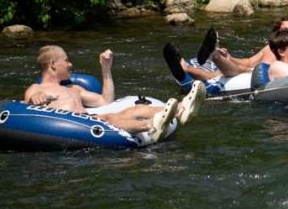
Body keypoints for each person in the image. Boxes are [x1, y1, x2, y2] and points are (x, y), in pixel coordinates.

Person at [24, 46, 205, 142]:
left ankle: (181, 109)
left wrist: (106, 69)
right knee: (109, 118)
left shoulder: (74, 88)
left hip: (89, 119)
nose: (70, 64)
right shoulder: (37, 88)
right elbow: (29, 104)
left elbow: (105, 100)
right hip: (70, 126)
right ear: (54, 64)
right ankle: (151, 126)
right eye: (66, 61)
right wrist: (35, 100)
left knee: (135, 109)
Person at [163, 17, 288, 83]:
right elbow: (249, 61)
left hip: (256, 75)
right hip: (251, 72)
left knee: (218, 74)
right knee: (221, 74)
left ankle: (188, 65)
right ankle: (201, 60)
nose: (287, 33)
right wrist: (231, 57)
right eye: (284, 30)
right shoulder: (269, 48)